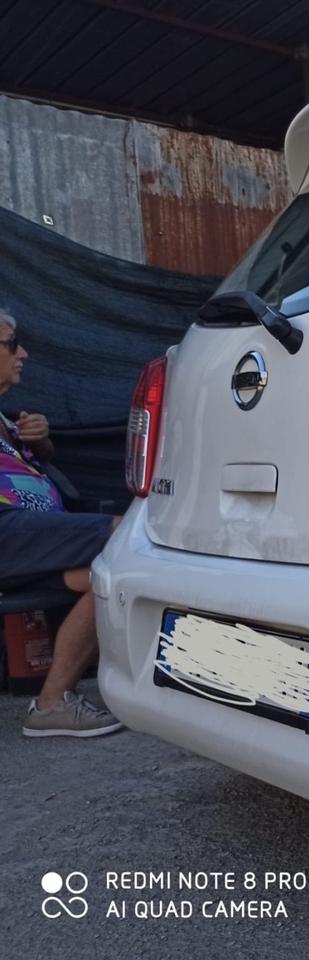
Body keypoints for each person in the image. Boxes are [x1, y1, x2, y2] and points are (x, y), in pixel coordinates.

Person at [0, 307, 122, 737]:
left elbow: (26, 474)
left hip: (31, 536)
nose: (24, 353)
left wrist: (41, 443)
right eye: (12, 343)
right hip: (7, 534)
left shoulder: (7, 420)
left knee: (105, 577)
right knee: (123, 535)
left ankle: (51, 704)